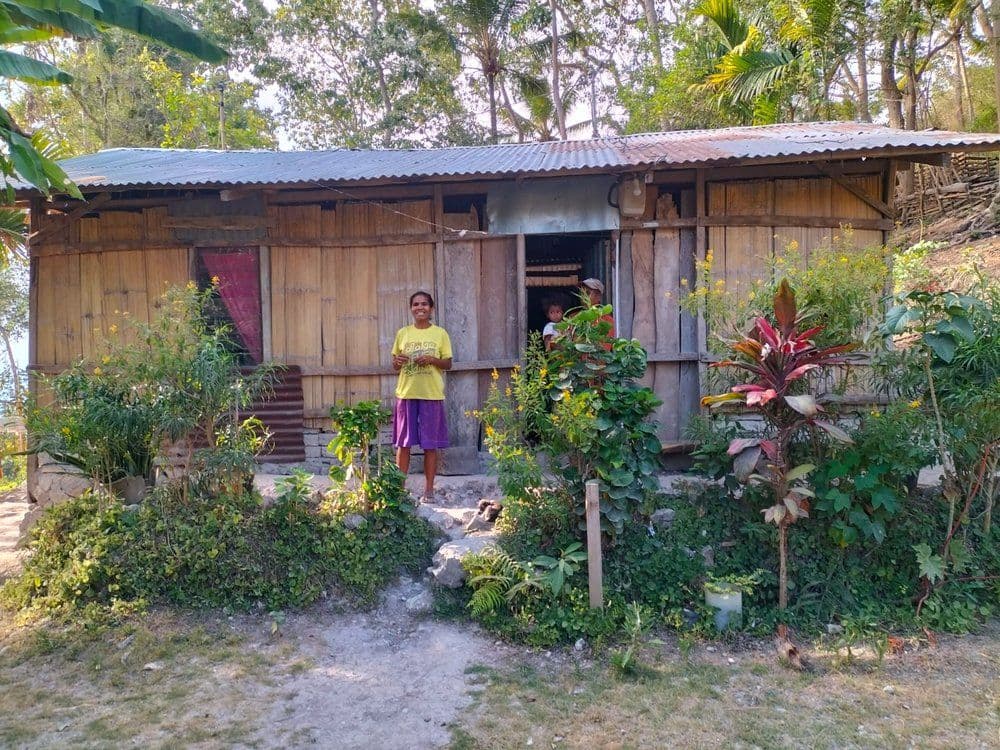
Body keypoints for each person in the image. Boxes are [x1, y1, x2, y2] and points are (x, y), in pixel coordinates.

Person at [390, 291, 452, 503]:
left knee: (429, 444)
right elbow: (395, 365)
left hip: (431, 394)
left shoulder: (440, 334)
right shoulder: (403, 333)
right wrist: (398, 361)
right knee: (404, 444)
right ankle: (399, 490)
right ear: (411, 308)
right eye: (416, 304)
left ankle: (429, 491)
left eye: (424, 304)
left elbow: (448, 364)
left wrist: (433, 359)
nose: (420, 308)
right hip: (406, 393)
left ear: (431, 308)